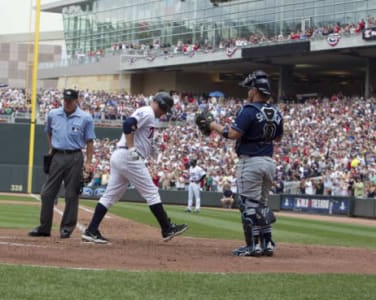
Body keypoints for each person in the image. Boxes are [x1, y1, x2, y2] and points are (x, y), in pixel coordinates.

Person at [196, 70, 283, 257]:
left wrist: (213, 125)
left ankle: (252, 246)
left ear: (255, 90)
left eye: (250, 88)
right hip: (269, 161)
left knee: (248, 204)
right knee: (262, 204)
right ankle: (267, 244)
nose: (248, 92)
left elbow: (233, 134)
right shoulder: (276, 111)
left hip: (250, 161)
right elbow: (278, 138)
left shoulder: (249, 109)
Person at [81, 92, 188, 244]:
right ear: (162, 105)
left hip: (121, 156)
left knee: (110, 196)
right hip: (128, 156)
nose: (164, 114)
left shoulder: (148, 114)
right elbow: (127, 124)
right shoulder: (148, 112)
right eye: (165, 110)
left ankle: (91, 230)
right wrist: (132, 148)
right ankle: (167, 228)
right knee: (151, 192)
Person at [29, 89, 95, 238]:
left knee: (71, 194)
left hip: (75, 157)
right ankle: (44, 227)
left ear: (76, 100)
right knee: (47, 194)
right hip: (57, 156)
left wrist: (89, 163)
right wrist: (52, 147)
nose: (67, 103)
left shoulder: (85, 118)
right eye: (65, 100)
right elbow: (49, 131)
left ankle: (67, 228)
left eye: (70, 100)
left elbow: (90, 141)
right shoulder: (53, 114)